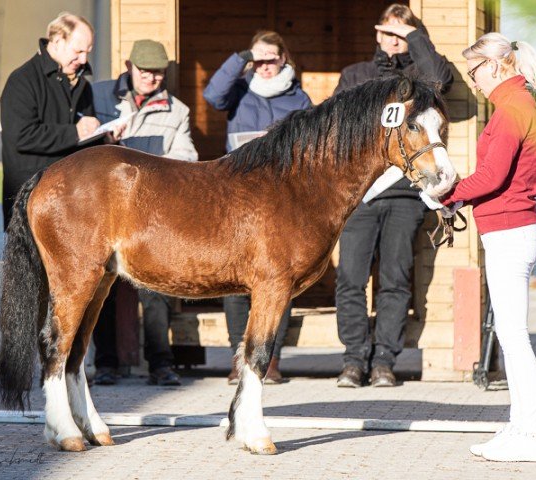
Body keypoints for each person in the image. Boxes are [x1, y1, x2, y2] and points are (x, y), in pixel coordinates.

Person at [334, 3, 453, 388]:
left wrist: (413, 40)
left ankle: (384, 360)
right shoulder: (355, 75)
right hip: (360, 196)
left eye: (402, 34)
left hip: (405, 197)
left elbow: (440, 77)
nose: (393, 40)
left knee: (395, 280)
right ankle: (353, 360)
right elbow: (336, 127)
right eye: (388, 32)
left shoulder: (423, 75)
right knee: (350, 279)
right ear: (377, 33)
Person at [441, 33, 536, 462]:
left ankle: (532, 432)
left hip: (510, 231)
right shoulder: (520, 105)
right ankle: (522, 426)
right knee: (510, 333)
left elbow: (491, 178)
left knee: (514, 336)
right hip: (513, 229)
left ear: (499, 64)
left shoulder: (510, 110)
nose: (474, 79)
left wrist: (446, 195)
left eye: (476, 70)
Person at [203, 30, 312, 384]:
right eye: (259, 60)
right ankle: (239, 356)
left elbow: (311, 148)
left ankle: (271, 357)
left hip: (283, 198)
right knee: (236, 279)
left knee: (282, 279)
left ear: (284, 58)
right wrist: (241, 57)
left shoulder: (299, 98)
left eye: (271, 59)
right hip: (238, 195)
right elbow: (212, 94)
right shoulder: (240, 90)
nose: (265, 66)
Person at [91, 39, 198, 386]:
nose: (151, 78)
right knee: (101, 289)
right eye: (145, 71)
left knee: (157, 292)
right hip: (106, 210)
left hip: (151, 216)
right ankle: (105, 362)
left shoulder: (177, 111)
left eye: (158, 73)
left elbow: (187, 158)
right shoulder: (99, 97)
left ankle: (160, 363)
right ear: (129, 66)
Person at [0, 12, 118, 229]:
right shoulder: (22, 81)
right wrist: (75, 132)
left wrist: (105, 139)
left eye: (88, 52)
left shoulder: (83, 85)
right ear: (56, 41)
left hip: (72, 198)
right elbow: (21, 136)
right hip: (29, 198)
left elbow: (84, 142)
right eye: (78, 51)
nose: (84, 59)